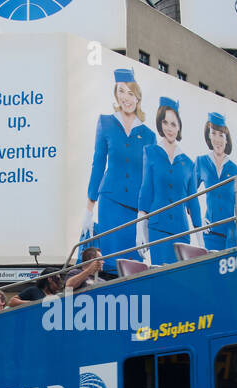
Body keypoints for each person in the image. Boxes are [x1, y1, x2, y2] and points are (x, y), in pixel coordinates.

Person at [86, 68, 156, 273]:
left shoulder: (148, 135)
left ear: (138, 97)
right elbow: (98, 163)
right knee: (109, 263)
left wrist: (144, 216)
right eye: (120, 91)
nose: (125, 97)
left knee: (134, 265)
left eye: (130, 93)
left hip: (135, 208)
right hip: (110, 202)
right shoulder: (106, 122)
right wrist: (89, 208)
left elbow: (148, 180)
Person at [139, 98, 201, 265]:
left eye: (173, 124)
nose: (169, 128)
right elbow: (146, 191)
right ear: (160, 123)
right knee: (160, 274)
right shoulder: (150, 152)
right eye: (165, 122)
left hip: (181, 230)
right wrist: (140, 229)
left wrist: (201, 240)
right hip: (158, 227)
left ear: (179, 126)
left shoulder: (188, 163)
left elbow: (193, 202)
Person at [198, 113, 237, 252]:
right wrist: (199, 221)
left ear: (227, 139)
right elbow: (188, 192)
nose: (217, 139)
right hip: (210, 233)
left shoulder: (236, 169)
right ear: (208, 136)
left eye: (221, 135)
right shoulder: (201, 162)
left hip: (231, 235)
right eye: (213, 133)